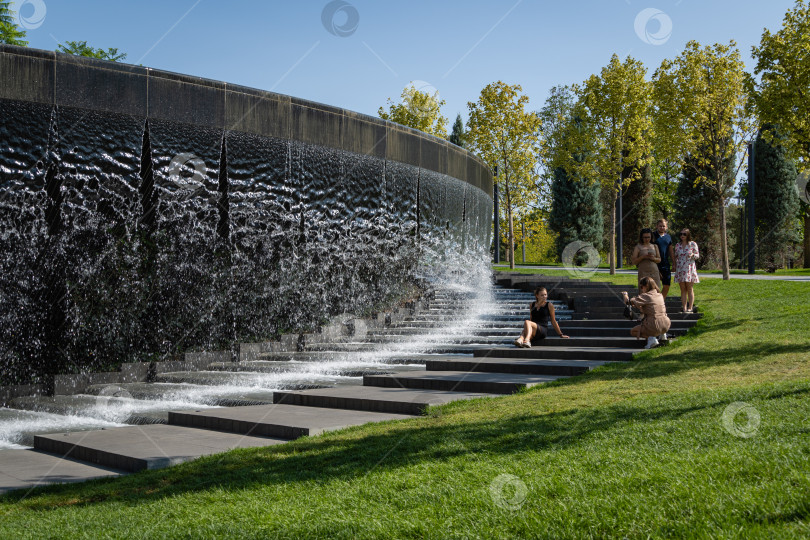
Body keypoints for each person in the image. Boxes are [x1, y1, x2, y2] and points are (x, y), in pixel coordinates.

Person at [621, 276, 671, 349]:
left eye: (641, 287)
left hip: (654, 324)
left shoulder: (646, 296)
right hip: (666, 324)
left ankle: (652, 339)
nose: (641, 289)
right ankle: (662, 334)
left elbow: (628, 302)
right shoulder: (659, 295)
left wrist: (625, 295)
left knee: (633, 331)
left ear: (646, 286)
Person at [673, 228, 700, 313]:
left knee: (689, 288)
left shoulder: (692, 244)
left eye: (684, 234)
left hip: (689, 268)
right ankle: (684, 307)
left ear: (688, 235)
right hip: (680, 268)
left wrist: (692, 254)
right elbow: (676, 256)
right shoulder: (678, 245)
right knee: (682, 289)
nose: (682, 236)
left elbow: (697, 255)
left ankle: (690, 307)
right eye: (681, 234)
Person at [652, 219, 675, 299]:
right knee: (655, 285)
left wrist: (674, 263)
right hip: (655, 263)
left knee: (667, 284)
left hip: (665, 263)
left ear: (666, 227)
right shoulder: (652, 236)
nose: (662, 227)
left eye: (663, 226)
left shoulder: (668, 237)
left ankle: (661, 301)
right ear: (657, 226)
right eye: (660, 226)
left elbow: (671, 251)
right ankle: (655, 301)